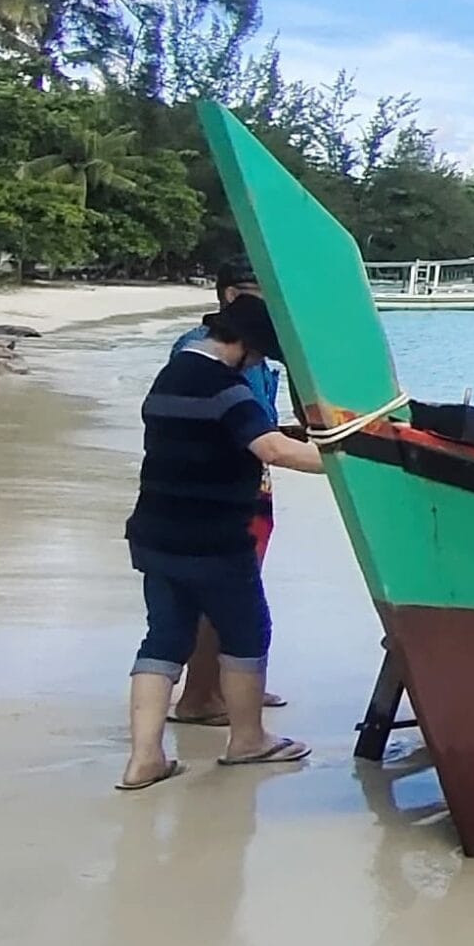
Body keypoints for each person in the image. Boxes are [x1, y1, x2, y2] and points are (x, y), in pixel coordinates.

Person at [119, 294, 323, 790]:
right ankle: (248, 741)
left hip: (155, 532)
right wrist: (346, 461)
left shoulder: (169, 376)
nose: (258, 363)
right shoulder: (227, 388)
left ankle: (145, 758)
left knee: (164, 637)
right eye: (259, 354)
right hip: (213, 538)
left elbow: (213, 434)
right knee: (247, 633)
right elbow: (268, 447)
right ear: (245, 347)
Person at [168, 262, 292, 725]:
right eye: (254, 296)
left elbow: (261, 420)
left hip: (251, 482)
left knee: (239, 588)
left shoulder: (254, 354)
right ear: (230, 296)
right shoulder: (200, 351)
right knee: (219, 594)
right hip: (217, 489)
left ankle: (231, 686)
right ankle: (199, 696)